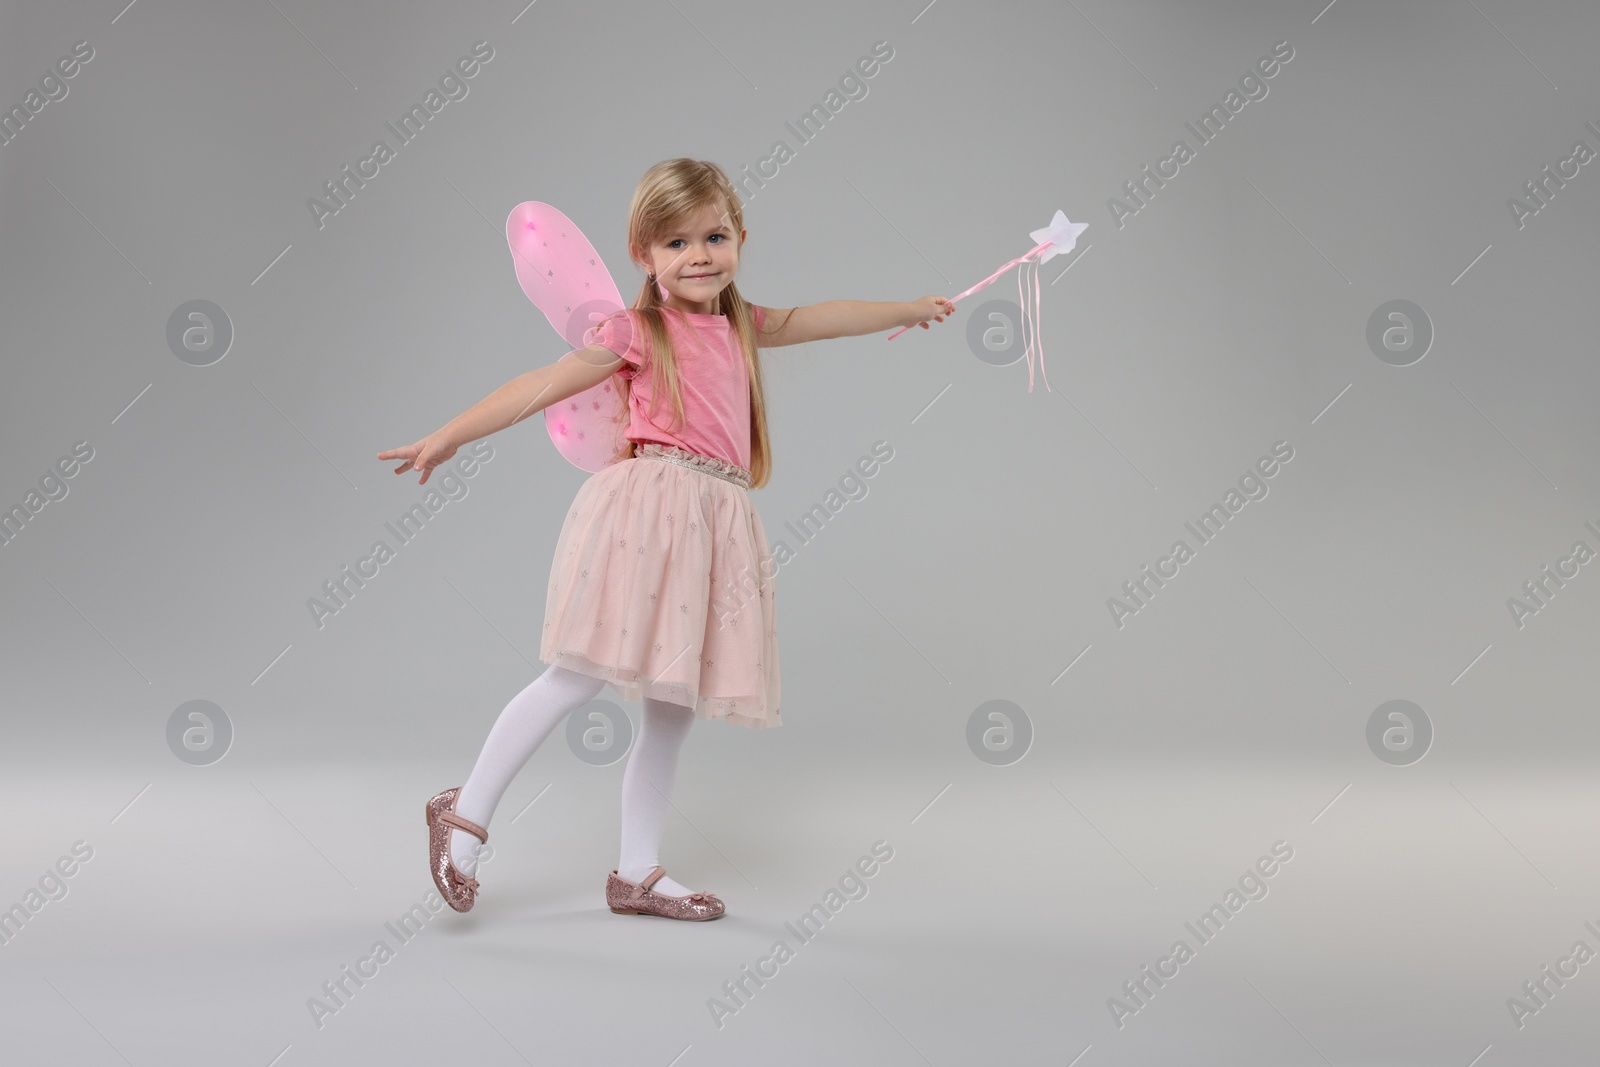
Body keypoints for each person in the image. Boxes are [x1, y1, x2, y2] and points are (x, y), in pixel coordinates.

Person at [379, 157, 954, 921]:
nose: (699, 256)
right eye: (676, 243)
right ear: (643, 256)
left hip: (715, 518)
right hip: (650, 514)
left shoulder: (744, 326)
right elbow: (536, 387)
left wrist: (904, 309)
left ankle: (636, 870)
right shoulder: (637, 331)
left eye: (714, 236)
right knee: (577, 673)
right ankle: (465, 811)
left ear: (741, 238)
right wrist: (448, 434)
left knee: (672, 706)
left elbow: (825, 315)